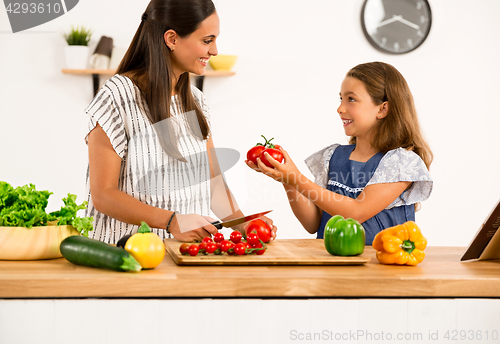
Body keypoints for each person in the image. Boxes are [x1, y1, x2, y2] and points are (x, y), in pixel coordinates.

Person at [84, 0, 276, 244]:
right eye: (207, 40)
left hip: (183, 257)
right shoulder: (117, 96)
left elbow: (214, 185)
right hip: (125, 257)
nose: (215, 50)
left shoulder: (196, 101)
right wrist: (171, 220)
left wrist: (243, 223)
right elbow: (104, 195)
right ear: (172, 39)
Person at [247, 62, 432, 245]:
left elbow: (357, 212)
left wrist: (296, 178)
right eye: (341, 99)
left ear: (382, 109)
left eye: (351, 99)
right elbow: (313, 223)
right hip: (331, 266)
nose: (340, 108)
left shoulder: (402, 162)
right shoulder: (333, 157)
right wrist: (287, 180)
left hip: (382, 268)